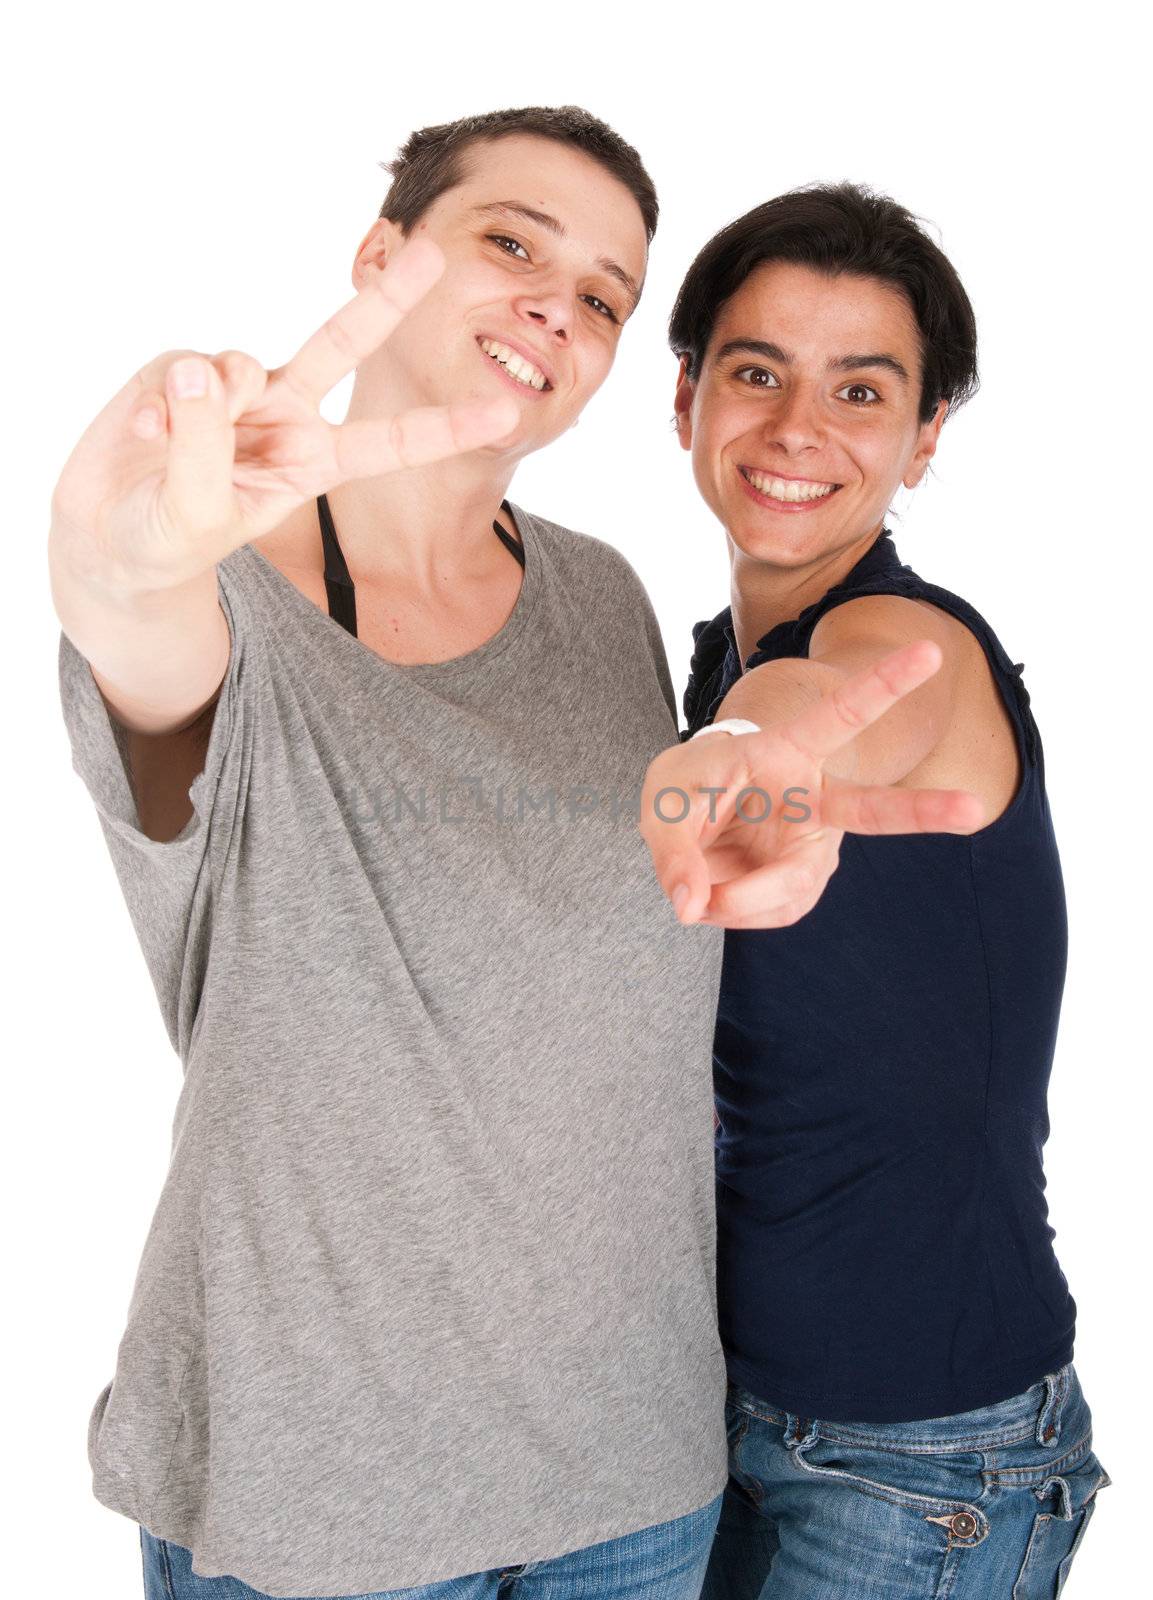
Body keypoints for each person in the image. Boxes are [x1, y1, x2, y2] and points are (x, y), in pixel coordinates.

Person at [51, 106, 973, 1600]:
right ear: (380, 261)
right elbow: (132, 625)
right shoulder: (222, 599)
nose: (561, 302)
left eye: (605, 295)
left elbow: (707, 795)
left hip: (632, 1482)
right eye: (511, 244)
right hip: (325, 1496)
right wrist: (117, 553)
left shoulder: (601, 598)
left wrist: (752, 762)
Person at [638, 182, 1110, 1598]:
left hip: (924, 1459)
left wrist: (743, 750)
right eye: (757, 372)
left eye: (860, 389)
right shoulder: (712, 647)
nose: (796, 429)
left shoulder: (918, 642)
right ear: (685, 401)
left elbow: (837, 699)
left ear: (923, 439)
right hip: (708, 1418)